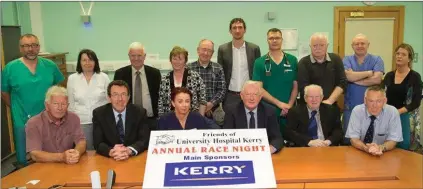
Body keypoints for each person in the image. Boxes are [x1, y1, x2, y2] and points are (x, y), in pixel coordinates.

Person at [1, 34, 65, 166]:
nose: (30, 49)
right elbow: (4, 92)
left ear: (38, 47)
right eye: (26, 46)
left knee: (50, 154)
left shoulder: (50, 65)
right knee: (25, 159)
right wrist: (14, 107)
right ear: (20, 48)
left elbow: (59, 89)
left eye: (34, 45)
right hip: (22, 118)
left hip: (48, 118)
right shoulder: (10, 68)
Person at [252, 28, 298, 135]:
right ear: (267, 40)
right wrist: (279, 104)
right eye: (271, 38)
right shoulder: (259, 62)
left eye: (277, 38)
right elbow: (258, 88)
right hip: (267, 111)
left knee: (289, 142)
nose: (274, 40)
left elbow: (295, 86)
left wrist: (288, 106)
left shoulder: (292, 60)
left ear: (282, 40)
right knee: (270, 142)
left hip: (288, 111)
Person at [25, 86, 86, 164]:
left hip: (68, 165)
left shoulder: (74, 118)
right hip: (42, 166)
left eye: (63, 104)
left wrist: (77, 153)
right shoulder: (34, 123)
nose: (60, 108)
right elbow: (35, 154)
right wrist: (61, 157)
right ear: (47, 105)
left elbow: (81, 141)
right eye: (56, 104)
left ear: (68, 105)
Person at [342, 34, 384, 145]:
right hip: (350, 107)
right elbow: (348, 77)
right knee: (349, 140)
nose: (360, 46)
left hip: (372, 107)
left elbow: (377, 80)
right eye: (356, 43)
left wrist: (355, 79)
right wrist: (369, 73)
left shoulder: (376, 59)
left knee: (371, 140)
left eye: (362, 43)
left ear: (368, 45)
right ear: (352, 46)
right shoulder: (347, 60)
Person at [92, 80, 150, 160]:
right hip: (110, 160)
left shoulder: (139, 112)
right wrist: (112, 151)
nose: (120, 99)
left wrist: (129, 150)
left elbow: (144, 139)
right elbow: (98, 143)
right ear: (109, 98)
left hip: (133, 159)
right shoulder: (99, 114)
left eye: (123, 94)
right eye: (115, 95)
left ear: (128, 97)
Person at [223, 80, 284, 153]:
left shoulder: (269, 111)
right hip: (240, 153)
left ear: (260, 97)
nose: (251, 98)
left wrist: (270, 149)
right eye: (248, 94)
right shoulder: (231, 111)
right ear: (242, 96)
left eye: (255, 94)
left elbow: (277, 138)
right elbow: (226, 138)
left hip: (262, 154)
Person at [67, 49, 110, 150]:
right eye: (84, 60)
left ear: (95, 62)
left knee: (102, 150)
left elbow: (109, 101)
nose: (87, 63)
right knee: (86, 153)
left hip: (101, 122)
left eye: (91, 60)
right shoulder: (72, 79)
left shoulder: (104, 77)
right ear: (80, 62)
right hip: (81, 123)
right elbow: (70, 104)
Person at [114, 42, 162, 131]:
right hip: (128, 120)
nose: (136, 59)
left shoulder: (154, 73)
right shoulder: (120, 74)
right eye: (133, 55)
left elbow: (159, 96)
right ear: (129, 56)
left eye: (139, 55)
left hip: (151, 120)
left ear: (144, 56)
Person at [383, 43, 422, 152]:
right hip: (389, 116)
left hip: (406, 116)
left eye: (403, 54)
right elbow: (382, 94)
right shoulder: (389, 76)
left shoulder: (415, 77)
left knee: (404, 147)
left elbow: (416, 101)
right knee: (388, 147)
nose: (399, 56)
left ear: (409, 59)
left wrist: (399, 111)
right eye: (398, 53)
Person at [217, 18, 261, 111]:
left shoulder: (254, 49)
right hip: (230, 96)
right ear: (230, 31)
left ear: (244, 30)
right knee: (230, 124)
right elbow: (220, 74)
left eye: (240, 27)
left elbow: (258, 74)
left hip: (249, 96)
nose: (237, 30)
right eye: (234, 28)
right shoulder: (222, 49)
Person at [346, 85, 403, 156]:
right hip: (360, 151)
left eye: (378, 101)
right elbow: (353, 139)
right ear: (365, 100)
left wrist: (380, 148)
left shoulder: (393, 112)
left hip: (384, 154)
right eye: (371, 101)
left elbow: (393, 140)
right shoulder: (357, 111)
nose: (374, 105)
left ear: (385, 101)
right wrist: (366, 148)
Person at [297, 33, 347, 108]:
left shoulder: (336, 59)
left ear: (327, 45)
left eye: (321, 45)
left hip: (331, 105)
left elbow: (342, 82)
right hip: (309, 107)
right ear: (310, 46)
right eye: (315, 46)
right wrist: (316, 103)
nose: (318, 48)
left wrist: (329, 101)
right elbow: (303, 87)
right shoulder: (303, 63)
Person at [158, 46, 207, 117]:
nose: (177, 62)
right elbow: (161, 103)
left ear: (185, 61)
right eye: (174, 59)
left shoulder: (195, 77)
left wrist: (200, 119)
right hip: (170, 119)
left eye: (180, 59)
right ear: (170, 60)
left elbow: (202, 100)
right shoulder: (165, 79)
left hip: (192, 118)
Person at [187, 39, 226, 125]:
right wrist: (201, 106)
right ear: (198, 50)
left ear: (212, 53)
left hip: (214, 111)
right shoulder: (188, 68)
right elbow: (186, 91)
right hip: (193, 111)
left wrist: (210, 104)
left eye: (209, 51)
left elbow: (222, 90)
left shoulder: (218, 68)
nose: (206, 53)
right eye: (204, 49)